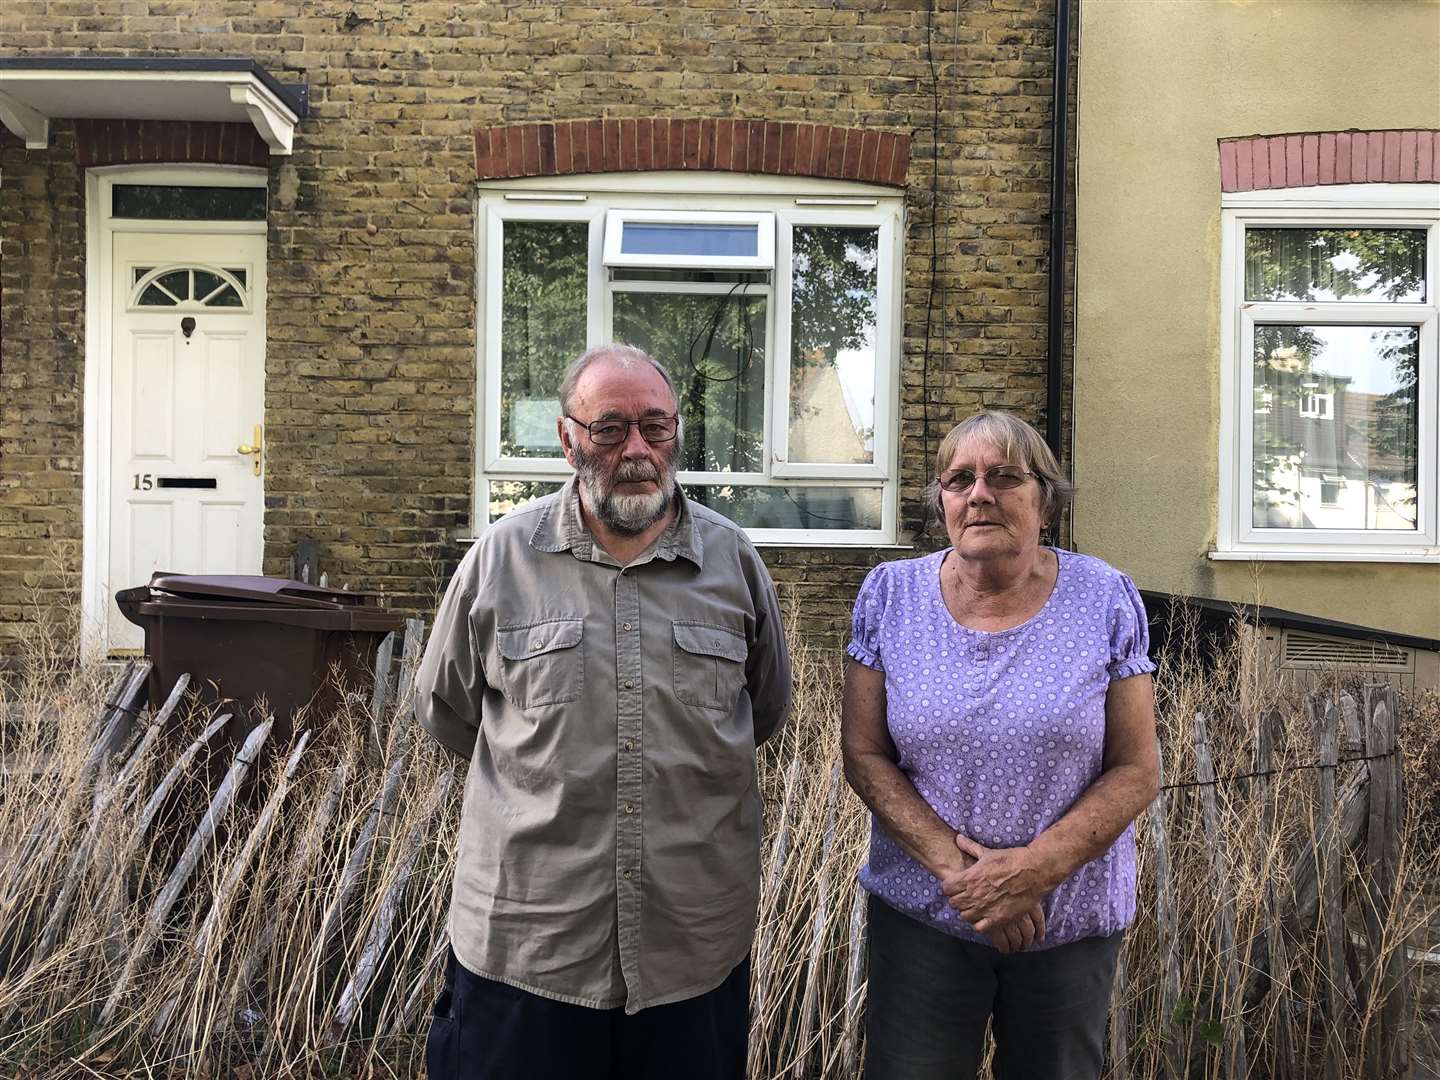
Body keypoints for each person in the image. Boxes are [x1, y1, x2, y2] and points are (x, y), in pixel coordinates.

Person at [413, 343, 792, 1080]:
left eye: (657, 427)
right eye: (610, 429)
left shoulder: (734, 564)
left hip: (691, 952)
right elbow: (447, 712)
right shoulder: (500, 560)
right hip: (528, 949)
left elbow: (764, 711)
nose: (638, 450)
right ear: (567, 440)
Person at [841, 410, 1160, 1080]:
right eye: (959, 479)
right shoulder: (890, 596)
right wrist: (969, 879)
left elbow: (1136, 769)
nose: (979, 493)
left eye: (1004, 477)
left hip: (1063, 921)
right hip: (927, 916)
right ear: (943, 502)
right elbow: (864, 755)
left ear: (1044, 500)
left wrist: (1035, 871)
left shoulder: (1103, 597)